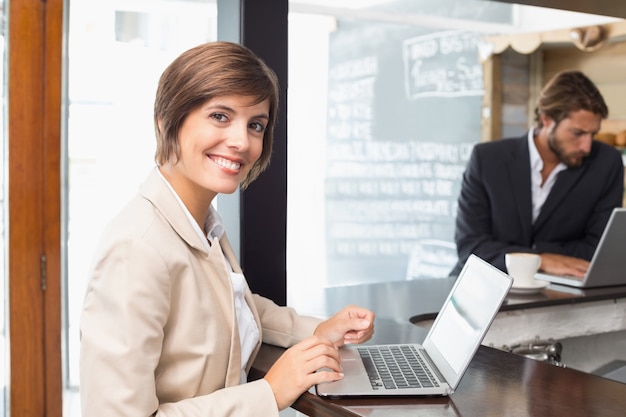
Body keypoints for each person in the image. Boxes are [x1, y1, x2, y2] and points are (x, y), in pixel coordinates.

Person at [79, 41, 375, 417]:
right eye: (220, 116)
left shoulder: (200, 221)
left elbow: (232, 307)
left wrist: (318, 331)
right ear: (167, 119)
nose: (242, 142)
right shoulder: (136, 249)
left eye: (255, 125)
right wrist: (269, 392)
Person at [450, 70, 624, 278]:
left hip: (560, 287)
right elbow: (471, 246)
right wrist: (540, 260)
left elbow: (598, 249)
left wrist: (529, 257)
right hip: (483, 284)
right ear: (546, 119)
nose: (587, 146)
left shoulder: (606, 163)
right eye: (577, 133)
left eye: (593, 134)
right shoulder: (487, 160)